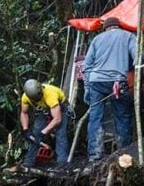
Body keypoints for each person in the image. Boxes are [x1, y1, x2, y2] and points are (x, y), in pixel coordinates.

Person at [83, 16, 137, 162]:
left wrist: (87, 88)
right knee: (123, 116)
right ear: (119, 26)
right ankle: (124, 153)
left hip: (96, 81)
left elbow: (87, 66)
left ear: (105, 28)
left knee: (95, 118)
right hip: (117, 82)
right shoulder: (128, 36)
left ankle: (94, 155)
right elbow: (137, 57)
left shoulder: (97, 39)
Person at [19, 79, 70, 167]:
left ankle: (62, 163)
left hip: (60, 108)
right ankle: (29, 161)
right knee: (34, 135)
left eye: (38, 97)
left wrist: (43, 133)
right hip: (44, 110)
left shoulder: (50, 94)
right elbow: (24, 113)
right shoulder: (25, 97)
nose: (37, 99)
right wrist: (25, 129)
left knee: (60, 134)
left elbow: (57, 119)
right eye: (35, 99)